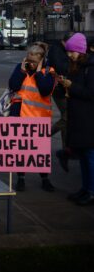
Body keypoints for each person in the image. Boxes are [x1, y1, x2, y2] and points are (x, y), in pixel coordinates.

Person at [9, 43, 56, 192]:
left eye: (34, 62)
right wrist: (22, 71)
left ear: (41, 60)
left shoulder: (49, 72)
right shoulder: (21, 68)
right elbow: (13, 85)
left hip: (39, 117)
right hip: (20, 114)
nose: (31, 64)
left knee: (41, 152)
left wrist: (38, 72)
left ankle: (44, 178)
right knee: (20, 151)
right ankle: (21, 178)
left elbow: (45, 90)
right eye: (29, 60)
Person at [58, 33, 94, 205]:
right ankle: (85, 188)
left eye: (72, 51)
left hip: (88, 119)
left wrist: (72, 86)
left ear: (80, 50)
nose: (69, 55)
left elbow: (90, 93)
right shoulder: (77, 67)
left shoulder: (90, 67)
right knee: (83, 156)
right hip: (79, 118)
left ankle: (91, 191)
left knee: (90, 156)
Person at [47, 32, 74, 171]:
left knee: (67, 119)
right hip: (59, 90)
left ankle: (66, 149)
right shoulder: (57, 50)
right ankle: (46, 135)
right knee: (66, 117)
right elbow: (62, 67)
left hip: (64, 89)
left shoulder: (62, 49)